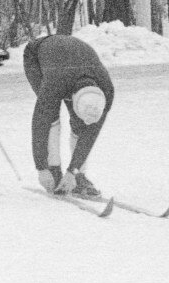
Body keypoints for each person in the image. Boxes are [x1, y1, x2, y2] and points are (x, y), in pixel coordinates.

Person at [23, 34, 113, 197]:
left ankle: (79, 176)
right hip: (36, 55)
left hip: (69, 59)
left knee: (81, 125)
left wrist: (74, 171)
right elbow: (40, 124)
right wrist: (41, 168)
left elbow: (90, 133)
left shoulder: (106, 91)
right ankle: (53, 169)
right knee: (50, 115)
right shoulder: (55, 83)